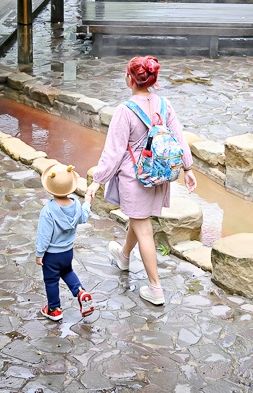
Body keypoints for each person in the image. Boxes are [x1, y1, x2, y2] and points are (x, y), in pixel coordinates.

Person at [86, 56, 197, 306]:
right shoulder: (165, 105)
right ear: (152, 80)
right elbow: (179, 138)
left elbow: (113, 152)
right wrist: (188, 169)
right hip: (159, 175)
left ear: (129, 79)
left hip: (135, 177)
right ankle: (124, 256)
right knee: (139, 219)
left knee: (143, 228)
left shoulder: (125, 111)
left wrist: (96, 181)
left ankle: (155, 288)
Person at [35, 164, 95, 321]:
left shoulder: (48, 211)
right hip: (67, 252)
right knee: (67, 272)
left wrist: (39, 253)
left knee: (51, 280)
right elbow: (83, 217)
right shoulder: (76, 204)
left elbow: (44, 235)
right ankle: (80, 292)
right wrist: (87, 202)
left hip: (51, 255)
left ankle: (54, 309)